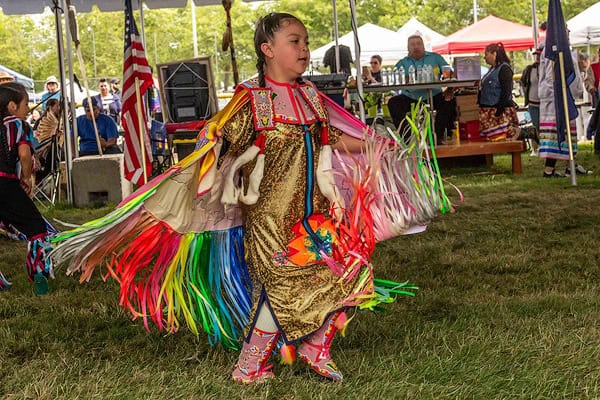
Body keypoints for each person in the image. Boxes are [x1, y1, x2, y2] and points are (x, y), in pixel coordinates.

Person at [51, 12, 449, 385]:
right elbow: (221, 142)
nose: (305, 50)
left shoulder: (310, 96)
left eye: (306, 42)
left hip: (317, 212)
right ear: (268, 49)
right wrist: (212, 141)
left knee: (348, 273)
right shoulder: (251, 99)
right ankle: (250, 363)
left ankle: (313, 347)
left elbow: (331, 138)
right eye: (295, 41)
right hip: (270, 218)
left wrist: (373, 147)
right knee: (280, 284)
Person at [0, 82, 54, 294]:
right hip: (5, 184)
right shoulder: (18, 125)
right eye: (25, 104)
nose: (28, 109)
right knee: (36, 229)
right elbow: (24, 154)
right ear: (12, 106)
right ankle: (38, 272)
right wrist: (25, 177)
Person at [387, 34, 457, 143]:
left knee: (449, 101)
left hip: (434, 95)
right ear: (408, 48)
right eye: (412, 44)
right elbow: (395, 79)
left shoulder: (435, 57)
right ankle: (408, 136)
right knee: (393, 102)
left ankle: (438, 135)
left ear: (424, 46)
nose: (416, 47)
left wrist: (449, 89)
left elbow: (451, 74)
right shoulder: (402, 63)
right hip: (411, 97)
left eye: (418, 44)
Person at [538, 41, 591, 177]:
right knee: (556, 134)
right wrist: (557, 96)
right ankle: (548, 170)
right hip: (557, 99)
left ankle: (570, 165)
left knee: (568, 133)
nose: (567, 32)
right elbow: (552, 76)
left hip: (565, 97)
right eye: (565, 29)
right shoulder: (553, 49)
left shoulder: (564, 48)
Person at [478, 42, 519, 141]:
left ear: (494, 54)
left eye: (486, 54)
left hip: (499, 110)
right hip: (488, 110)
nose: (485, 57)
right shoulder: (492, 69)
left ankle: (525, 133)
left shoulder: (504, 69)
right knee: (492, 139)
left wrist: (499, 111)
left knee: (505, 137)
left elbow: (506, 91)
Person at [520, 46, 542, 154]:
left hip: (545, 103)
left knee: (544, 127)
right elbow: (523, 83)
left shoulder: (548, 69)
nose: (537, 57)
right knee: (535, 126)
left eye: (540, 55)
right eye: (536, 55)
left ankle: (546, 147)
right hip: (533, 103)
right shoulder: (529, 69)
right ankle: (536, 148)